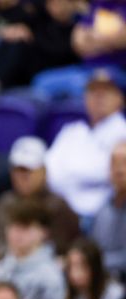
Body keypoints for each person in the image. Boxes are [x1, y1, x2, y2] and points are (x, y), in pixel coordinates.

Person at [0, 136, 80, 269]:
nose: (22, 177)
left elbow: (70, 253)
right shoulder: (2, 204)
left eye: (28, 171)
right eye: (18, 170)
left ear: (44, 171)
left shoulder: (58, 208)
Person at [45, 68, 126, 218]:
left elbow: (104, 172)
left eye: (106, 91)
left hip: (97, 214)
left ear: (120, 98)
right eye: (93, 91)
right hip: (59, 210)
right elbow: (48, 170)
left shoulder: (122, 131)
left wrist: (69, 171)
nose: (98, 96)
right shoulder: (73, 131)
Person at [90, 140, 126, 276]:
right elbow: (94, 248)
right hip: (104, 280)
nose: (119, 170)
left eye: (125, 163)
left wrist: (95, 263)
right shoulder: (103, 209)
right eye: (114, 164)